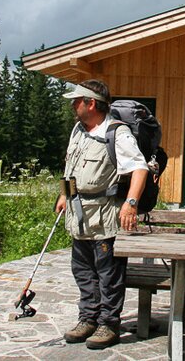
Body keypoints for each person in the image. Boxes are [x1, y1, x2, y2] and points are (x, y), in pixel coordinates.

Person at [56, 79, 149, 350]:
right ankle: (88, 318)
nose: (73, 106)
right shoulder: (78, 129)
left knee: (108, 273)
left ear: (91, 103)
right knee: (82, 269)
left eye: (77, 101)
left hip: (104, 214)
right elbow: (70, 167)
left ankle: (108, 323)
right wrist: (64, 194)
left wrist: (131, 203)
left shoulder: (116, 133)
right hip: (78, 213)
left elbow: (140, 168)